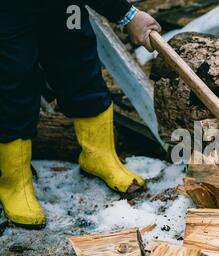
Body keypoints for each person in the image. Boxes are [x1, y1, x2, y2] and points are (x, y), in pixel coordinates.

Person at [0, 1, 161, 229]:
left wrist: (128, 15)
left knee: (81, 70)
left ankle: (99, 157)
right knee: (14, 85)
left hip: (66, 9)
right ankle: (14, 182)